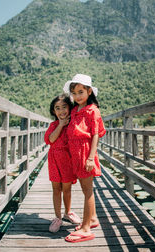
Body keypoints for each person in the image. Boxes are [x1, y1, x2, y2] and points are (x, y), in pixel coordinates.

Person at [63, 74, 106, 243]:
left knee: (88, 190)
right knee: (84, 188)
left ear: (89, 91)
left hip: (85, 152)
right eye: (74, 93)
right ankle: (93, 218)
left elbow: (95, 134)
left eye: (81, 92)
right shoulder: (75, 110)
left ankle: (86, 228)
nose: (77, 96)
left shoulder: (92, 110)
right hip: (75, 153)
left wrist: (90, 158)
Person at [44, 94, 81, 233]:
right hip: (54, 159)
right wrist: (60, 125)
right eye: (57, 108)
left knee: (67, 188)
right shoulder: (53, 125)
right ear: (54, 111)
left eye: (64, 107)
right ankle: (58, 217)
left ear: (70, 108)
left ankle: (68, 212)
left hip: (67, 160)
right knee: (56, 189)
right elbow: (50, 140)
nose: (61, 111)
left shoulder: (73, 124)